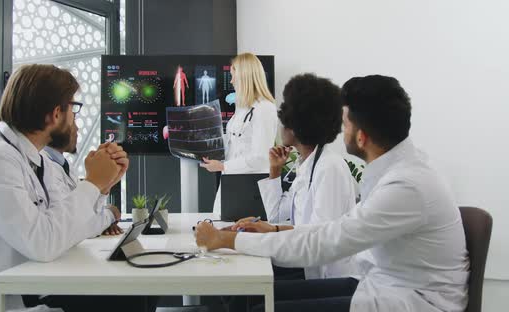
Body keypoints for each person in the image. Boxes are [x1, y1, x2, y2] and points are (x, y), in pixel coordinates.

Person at [195, 75, 470, 312]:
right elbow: (325, 230)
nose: (340, 131)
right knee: (254, 301)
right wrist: (267, 230)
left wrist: (227, 240)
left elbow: (324, 241)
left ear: (361, 137)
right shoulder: (400, 172)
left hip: (410, 301)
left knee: (260, 306)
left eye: (345, 124)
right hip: (383, 285)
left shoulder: (406, 186)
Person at [0, 64, 134, 312]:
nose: (75, 120)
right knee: (125, 298)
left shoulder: (35, 160)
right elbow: (42, 243)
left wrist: (103, 184)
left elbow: (68, 226)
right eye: (73, 110)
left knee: (132, 295)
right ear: (56, 113)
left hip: (17, 289)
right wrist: (93, 182)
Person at [256, 73, 358, 279]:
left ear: (296, 124)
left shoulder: (329, 168)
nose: (281, 123)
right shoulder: (307, 164)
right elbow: (277, 217)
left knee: (254, 299)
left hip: (329, 281)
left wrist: (271, 231)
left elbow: (319, 240)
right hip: (306, 267)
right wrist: (275, 171)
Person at [200, 53, 278, 216]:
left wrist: (223, 166)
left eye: (233, 76)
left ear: (244, 77)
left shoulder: (264, 109)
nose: (231, 81)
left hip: (249, 186)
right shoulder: (243, 108)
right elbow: (235, 143)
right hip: (232, 181)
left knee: (238, 235)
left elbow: (260, 157)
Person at [43, 112, 122, 236]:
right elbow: (71, 225)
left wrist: (105, 187)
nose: (77, 128)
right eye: (73, 120)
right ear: (56, 118)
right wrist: (110, 214)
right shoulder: (44, 168)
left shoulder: (66, 166)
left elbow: (87, 216)